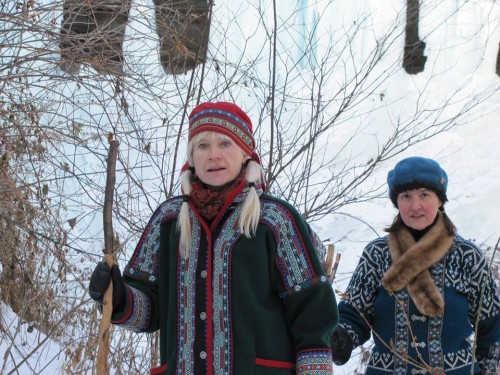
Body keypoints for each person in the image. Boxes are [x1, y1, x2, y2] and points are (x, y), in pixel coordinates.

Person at [89, 101, 339, 375]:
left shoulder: (276, 220)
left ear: (245, 154)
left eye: (225, 144)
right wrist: (118, 297)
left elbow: (312, 311)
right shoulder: (168, 220)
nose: (213, 155)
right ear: (192, 156)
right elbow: (149, 310)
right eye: (203, 146)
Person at [330, 156, 500, 374]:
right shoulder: (377, 255)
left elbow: (493, 328)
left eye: (424, 195)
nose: (415, 205)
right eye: (406, 196)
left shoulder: (467, 257)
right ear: (396, 202)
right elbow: (354, 314)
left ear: (440, 200)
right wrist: (341, 337)